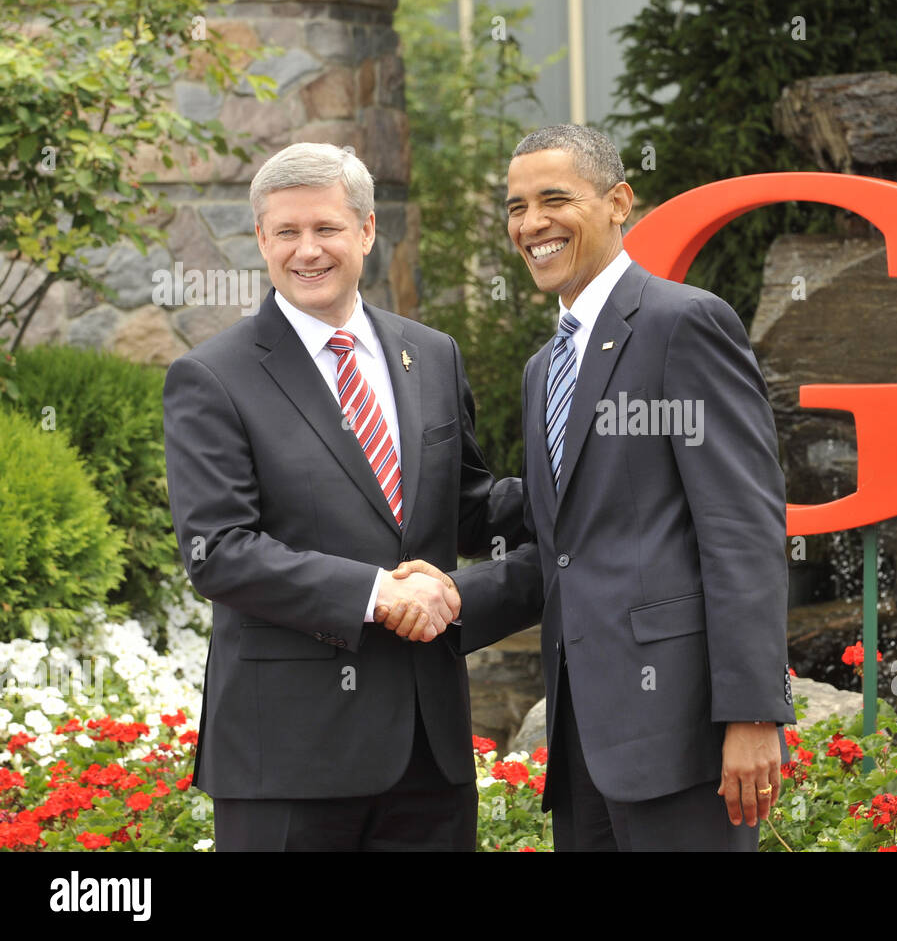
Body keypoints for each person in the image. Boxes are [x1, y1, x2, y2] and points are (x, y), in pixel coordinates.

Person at [390, 125, 794, 851]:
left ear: (618, 202)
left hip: (684, 737)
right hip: (583, 744)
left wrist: (754, 713)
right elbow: (564, 545)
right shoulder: (545, 366)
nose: (531, 224)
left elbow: (742, 530)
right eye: (515, 207)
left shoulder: (684, 324)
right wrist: (452, 596)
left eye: (554, 199)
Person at [162, 142, 535, 851]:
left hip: (429, 755)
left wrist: (587, 484)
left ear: (365, 232)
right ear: (262, 241)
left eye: (327, 228)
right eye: (287, 232)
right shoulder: (211, 377)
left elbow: (467, 507)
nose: (308, 250)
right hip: (289, 759)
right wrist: (378, 593)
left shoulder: (432, 354)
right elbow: (221, 551)